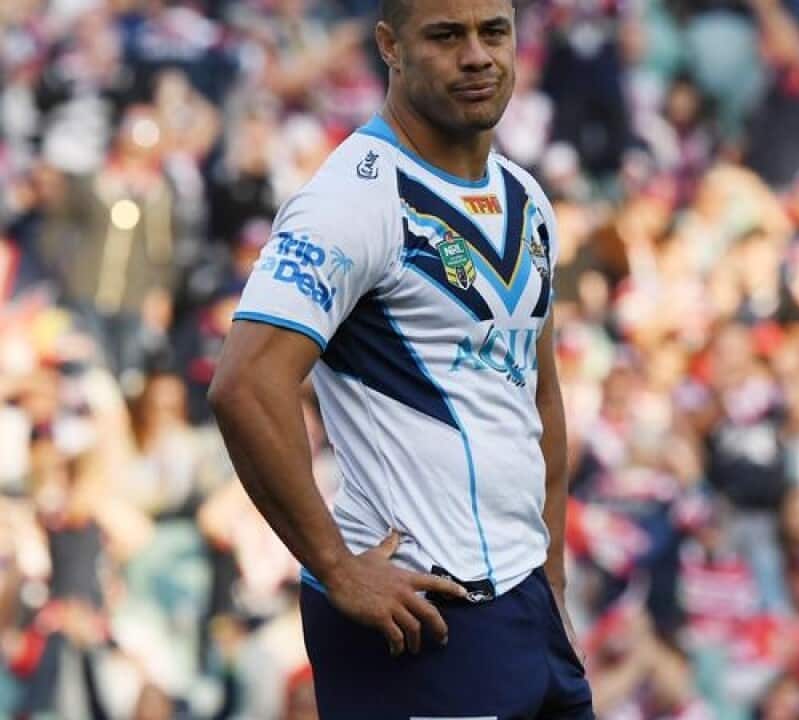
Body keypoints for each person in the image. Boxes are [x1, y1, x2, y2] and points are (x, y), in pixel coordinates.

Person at [207, 0, 593, 716]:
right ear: (389, 44)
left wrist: (554, 577)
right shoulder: (351, 199)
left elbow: (539, 399)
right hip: (421, 611)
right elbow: (245, 384)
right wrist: (333, 566)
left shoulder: (526, 197)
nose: (476, 56)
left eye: (493, 32)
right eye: (446, 35)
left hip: (525, 602)